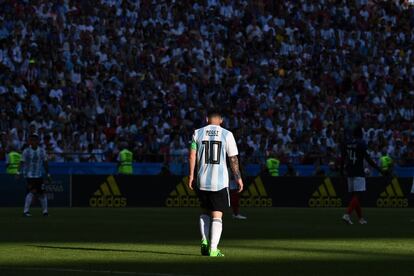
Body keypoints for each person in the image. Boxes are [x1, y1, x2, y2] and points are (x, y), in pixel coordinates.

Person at [188, 109, 243, 257]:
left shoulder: (197, 133)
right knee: (217, 215)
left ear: (207, 119)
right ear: (221, 120)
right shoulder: (227, 134)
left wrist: (191, 175)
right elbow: (233, 159)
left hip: (202, 180)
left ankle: (204, 240)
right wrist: (238, 177)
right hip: (219, 182)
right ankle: (213, 249)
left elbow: (192, 156)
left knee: (205, 212)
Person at [341, 126, 382, 225]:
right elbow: (368, 158)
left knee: (355, 197)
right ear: (360, 134)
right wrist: (378, 168)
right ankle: (347, 214)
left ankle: (360, 219)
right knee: (358, 195)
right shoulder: (361, 144)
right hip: (358, 171)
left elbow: (343, 157)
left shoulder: (348, 143)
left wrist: (341, 170)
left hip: (349, 171)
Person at [21, 133, 50, 217]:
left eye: (35, 139)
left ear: (38, 141)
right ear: (30, 141)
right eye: (32, 139)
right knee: (31, 192)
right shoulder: (26, 151)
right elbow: (22, 162)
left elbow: (45, 162)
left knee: (42, 193)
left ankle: (45, 212)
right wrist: (18, 172)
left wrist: (48, 174)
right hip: (29, 175)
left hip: (39, 175)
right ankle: (25, 211)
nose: (33, 141)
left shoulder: (42, 150)